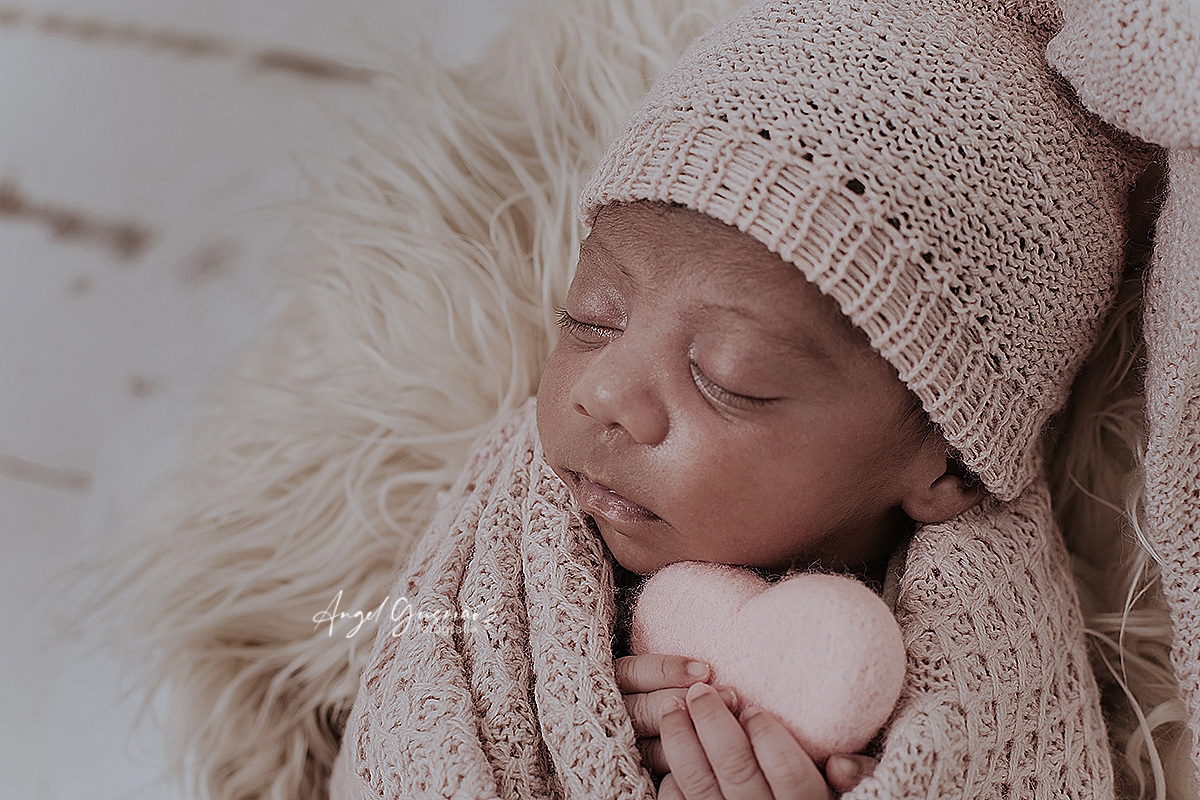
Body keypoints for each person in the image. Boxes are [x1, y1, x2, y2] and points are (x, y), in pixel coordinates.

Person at [333, 0, 1198, 796]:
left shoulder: (995, 669)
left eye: (728, 378)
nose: (602, 393)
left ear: (947, 463)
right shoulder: (509, 546)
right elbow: (415, 715)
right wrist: (579, 710)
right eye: (592, 318)